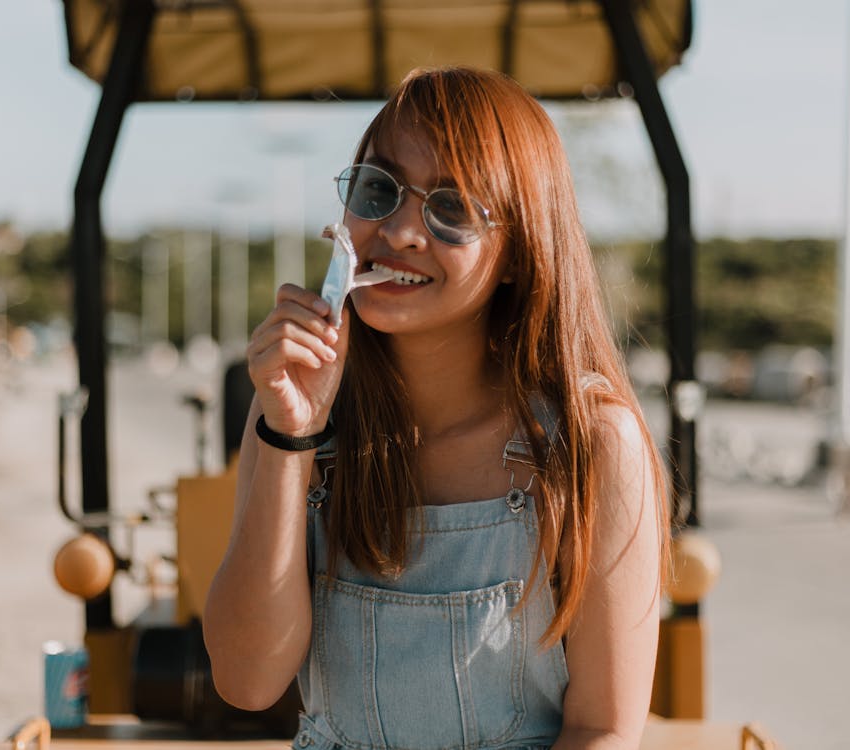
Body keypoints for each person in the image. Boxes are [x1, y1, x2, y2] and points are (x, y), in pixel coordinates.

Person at [203, 66, 669, 750]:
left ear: (518, 253)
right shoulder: (294, 414)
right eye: (378, 189)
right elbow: (246, 683)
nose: (401, 230)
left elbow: (601, 730)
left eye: (451, 208)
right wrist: (289, 436)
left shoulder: (589, 444)